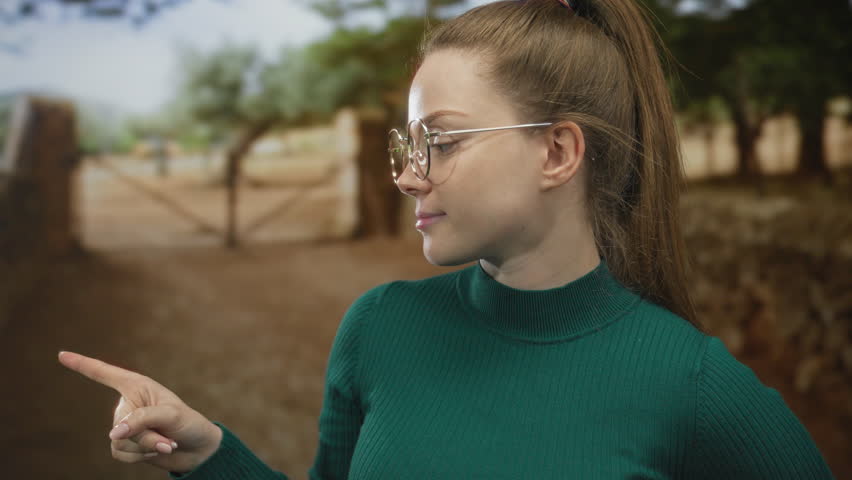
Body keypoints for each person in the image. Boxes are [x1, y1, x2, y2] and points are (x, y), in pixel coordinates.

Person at [57, 0, 836, 478]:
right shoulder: (381, 326)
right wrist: (207, 453)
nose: (408, 177)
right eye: (407, 145)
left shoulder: (692, 384)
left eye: (446, 141)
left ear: (558, 152)